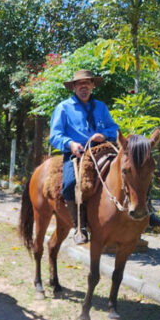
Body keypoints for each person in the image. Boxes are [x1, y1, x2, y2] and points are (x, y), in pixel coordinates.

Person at [49, 69, 119, 244]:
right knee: (70, 184)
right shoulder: (63, 108)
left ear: (92, 86)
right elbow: (54, 135)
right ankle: (79, 226)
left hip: (102, 149)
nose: (84, 87)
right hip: (77, 153)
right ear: (74, 87)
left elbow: (114, 128)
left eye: (87, 83)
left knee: (132, 169)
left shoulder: (101, 107)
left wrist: (103, 135)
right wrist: (70, 144)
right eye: (80, 84)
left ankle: (146, 214)